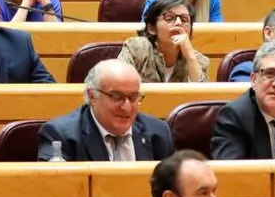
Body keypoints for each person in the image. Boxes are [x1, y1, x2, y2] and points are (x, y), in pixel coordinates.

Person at [37, 59, 174, 162]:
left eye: (133, 98)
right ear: (92, 96)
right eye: (116, 97)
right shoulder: (60, 136)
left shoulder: (159, 132)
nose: (126, 107)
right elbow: (56, 192)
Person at [118, 0, 207, 84]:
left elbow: (203, 95)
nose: (179, 23)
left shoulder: (196, 59)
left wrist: (190, 56)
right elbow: (118, 83)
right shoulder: (136, 49)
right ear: (152, 29)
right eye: (169, 18)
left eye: (184, 20)